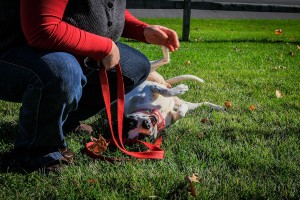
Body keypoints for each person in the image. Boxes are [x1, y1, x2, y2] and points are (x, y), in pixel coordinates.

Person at [0, 0, 179, 171]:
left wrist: (141, 30)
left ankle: (61, 121)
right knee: (62, 70)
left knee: (135, 66)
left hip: (52, 48)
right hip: (11, 51)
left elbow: (104, 9)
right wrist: (103, 47)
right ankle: (38, 150)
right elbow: (42, 29)